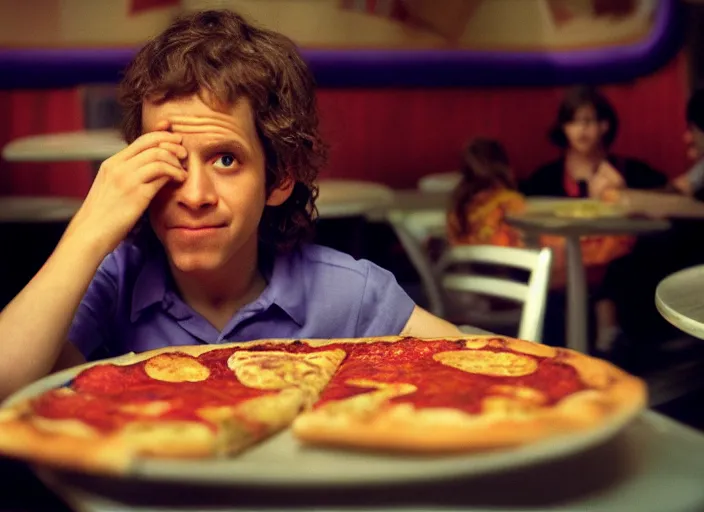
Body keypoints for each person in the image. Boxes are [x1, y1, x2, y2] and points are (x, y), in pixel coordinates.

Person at [0, 10, 462, 400]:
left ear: (279, 177)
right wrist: (88, 231)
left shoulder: (350, 292)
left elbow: (481, 368)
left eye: (226, 159)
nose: (194, 195)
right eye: (169, 158)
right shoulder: (115, 282)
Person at [521, 86, 667, 198]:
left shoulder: (632, 172)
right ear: (564, 128)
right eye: (573, 121)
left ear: (604, 126)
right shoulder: (544, 179)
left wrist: (625, 196)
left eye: (588, 120)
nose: (582, 128)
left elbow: (667, 200)